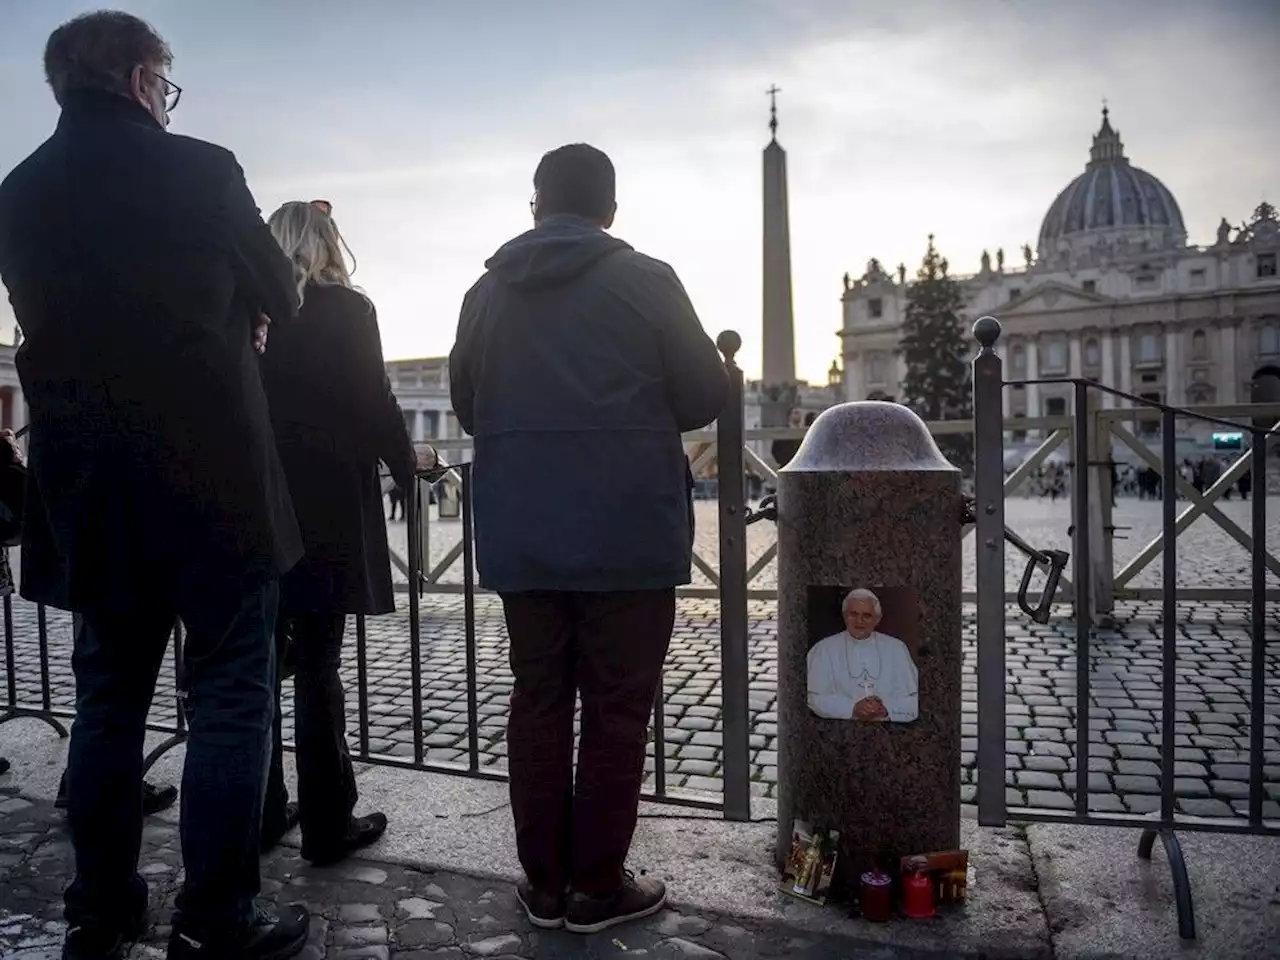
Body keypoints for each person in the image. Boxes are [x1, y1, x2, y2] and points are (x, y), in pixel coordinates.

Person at [0, 11, 310, 960]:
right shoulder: (204, 170)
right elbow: (284, 290)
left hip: (87, 485)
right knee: (229, 699)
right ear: (142, 80)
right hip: (212, 481)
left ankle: (99, 906)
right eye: (165, 87)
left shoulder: (16, 193)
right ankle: (216, 920)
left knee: (106, 702)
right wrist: (245, 311)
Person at [449, 143, 728, 934]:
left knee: (537, 702)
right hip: (626, 534)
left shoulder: (484, 293)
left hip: (524, 534)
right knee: (615, 711)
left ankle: (542, 884)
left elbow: (468, 407)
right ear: (610, 210)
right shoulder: (647, 280)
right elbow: (705, 393)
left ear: (534, 206)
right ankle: (597, 887)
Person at [258, 200, 435, 864]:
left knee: (260, 665)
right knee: (318, 666)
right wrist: (403, 462)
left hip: (259, 499)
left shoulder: (252, 308)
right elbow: (373, 399)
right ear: (329, 244)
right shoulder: (348, 311)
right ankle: (329, 820)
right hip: (328, 504)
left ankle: (265, 808)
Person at [807, 589, 919, 722]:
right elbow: (813, 698)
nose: (859, 621)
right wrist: (851, 707)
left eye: (867, 615)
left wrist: (886, 708)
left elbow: (914, 698)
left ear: (877, 619)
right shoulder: (823, 649)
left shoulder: (897, 648)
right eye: (853, 614)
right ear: (844, 616)